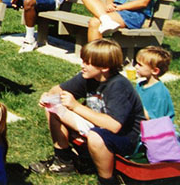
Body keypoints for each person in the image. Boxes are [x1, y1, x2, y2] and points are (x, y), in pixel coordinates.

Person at [31, 39, 144, 184]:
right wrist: (48, 96)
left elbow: (114, 126)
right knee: (53, 107)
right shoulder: (88, 77)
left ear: (105, 67)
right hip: (98, 126)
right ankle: (63, 161)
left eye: (87, 63)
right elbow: (56, 91)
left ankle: (107, 180)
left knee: (96, 136)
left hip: (126, 137)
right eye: (83, 61)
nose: (82, 66)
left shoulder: (118, 86)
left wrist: (76, 107)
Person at [135, 46, 175, 121]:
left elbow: (157, 119)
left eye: (140, 65)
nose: (136, 66)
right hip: (142, 123)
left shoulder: (159, 92)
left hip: (158, 128)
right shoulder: (140, 85)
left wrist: (136, 104)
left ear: (155, 71)